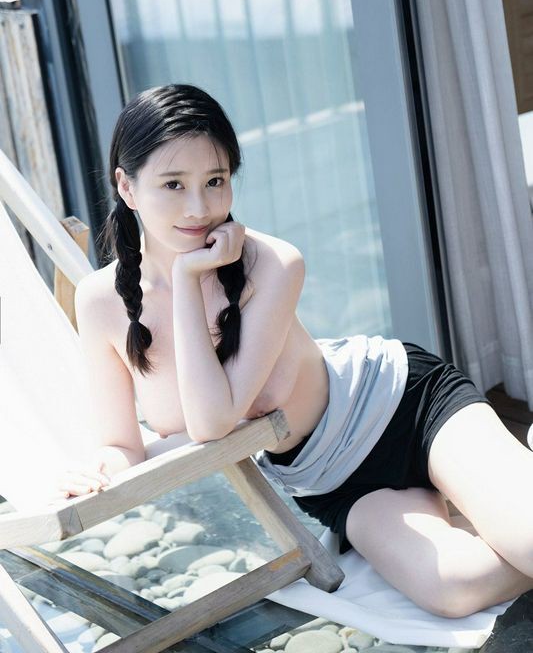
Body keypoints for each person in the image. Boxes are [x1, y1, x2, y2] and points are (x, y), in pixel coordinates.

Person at [58, 83, 533, 619]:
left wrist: (187, 280)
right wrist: (97, 472)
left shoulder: (273, 263)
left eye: (215, 181)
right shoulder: (100, 302)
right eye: (173, 184)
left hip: (406, 406)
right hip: (334, 481)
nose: (199, 208)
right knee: (453, 591)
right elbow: (122, 443)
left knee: (528, 541)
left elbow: (213, 422)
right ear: (126, 186)